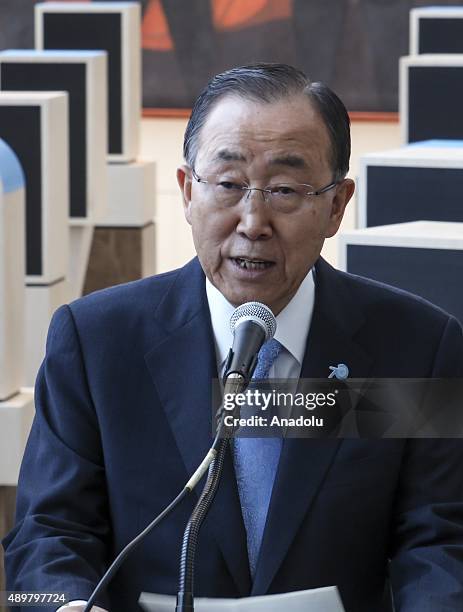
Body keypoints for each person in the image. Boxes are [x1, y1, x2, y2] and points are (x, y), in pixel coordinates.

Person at [3, 63, 463, 612]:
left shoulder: (415, 348)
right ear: (186, 191)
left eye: (286, 189)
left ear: (336, 206)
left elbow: (439, 542)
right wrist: (65, 605)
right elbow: (48, 534)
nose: (253, 221)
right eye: (228, 184)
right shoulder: (98, 341)